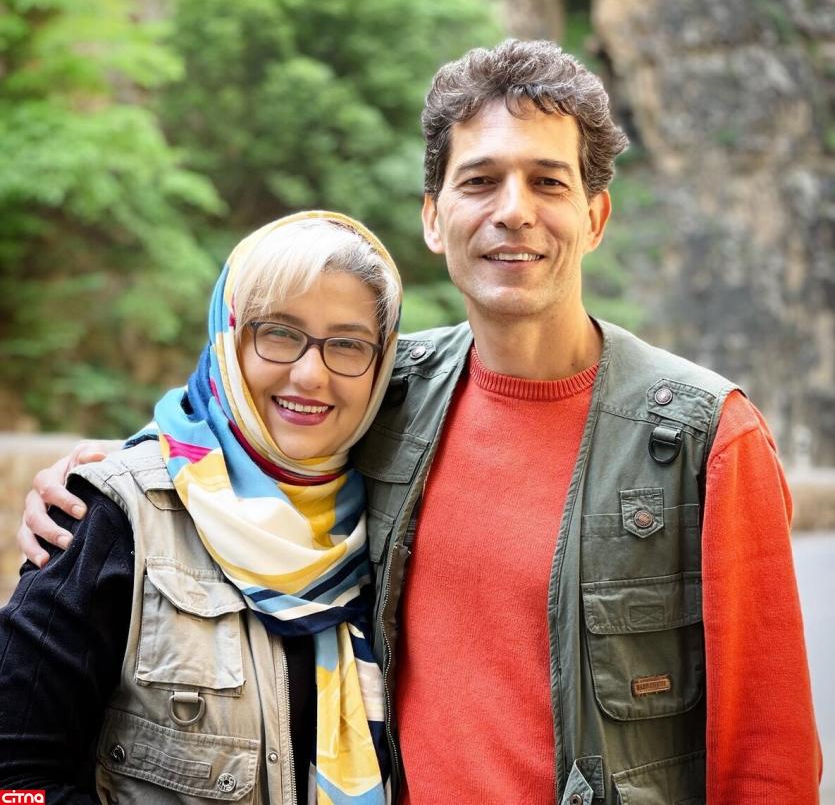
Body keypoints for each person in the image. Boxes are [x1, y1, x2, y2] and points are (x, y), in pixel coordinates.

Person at [16, 40, 821, 804]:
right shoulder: (386, 391)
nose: (513, 211)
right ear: (434, 218)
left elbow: (767, 757)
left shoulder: (704, 439)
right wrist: (111, 479)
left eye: (547, 182)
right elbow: (245, 429)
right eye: (480, 180)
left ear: (595, 217)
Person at [0, 211, 402, 804]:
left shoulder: (396, 515)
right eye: (279, 333)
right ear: (227, 338)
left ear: (381, 363)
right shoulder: (113, 516)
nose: (310, 373)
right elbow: (15, 781)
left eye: (347, 344)